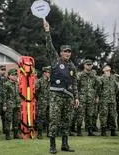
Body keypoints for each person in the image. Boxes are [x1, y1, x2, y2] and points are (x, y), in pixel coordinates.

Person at [43, 20, 79, 154]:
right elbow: (49, 47)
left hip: (68, 97)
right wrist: (47, 31)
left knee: (66, 121)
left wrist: (76, 97)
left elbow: (75, 82)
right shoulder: (55, 60)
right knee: (54, 120)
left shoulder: (72, 66)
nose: (68, 53)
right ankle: (52, 146)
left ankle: (65, 145)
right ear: (60, 53)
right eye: (65, 51)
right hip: (56, 96)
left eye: (69, 51)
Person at [77, 59, 99, 136]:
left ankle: (90, 131)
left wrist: (96, 96)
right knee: (80, 115)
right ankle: (79, 131)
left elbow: (96, 87)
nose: (89, 66)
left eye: (90, 65)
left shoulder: (94, 76)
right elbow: (76, 86)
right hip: (82, 98)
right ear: (84, 65)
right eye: (87, 65)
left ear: (92, 65)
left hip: (91, 98)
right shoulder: (80, 75)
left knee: (90, 115)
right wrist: (77, 97)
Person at [99, 65, 119, 136]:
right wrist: (100, 97)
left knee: (113, 115)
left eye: (109, 70)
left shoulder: (113, 79)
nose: (109, 72)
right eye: (107, 70)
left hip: (112, 100)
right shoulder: (101, 79)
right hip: (104, 100)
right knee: (103, 115)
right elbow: (98, 89)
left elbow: (116, 88)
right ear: (103, 70)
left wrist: (113, 95)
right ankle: (103, 130)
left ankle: (113, 130)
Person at [2, 68, 21, 140]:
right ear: (9, 76)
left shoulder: (17, 84)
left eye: (16, 75)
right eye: (13, 75)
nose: (15, 76)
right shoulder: (6, 84)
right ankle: (7, 135)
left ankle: (16, 134)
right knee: (8, 119)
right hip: (9, 104)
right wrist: (4, 105)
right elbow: (4, 95)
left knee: (16, 120)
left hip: (17, 104)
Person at [36, 66, 51, 139]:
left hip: (50, 102)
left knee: (50, 118)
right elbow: (35, 91)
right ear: (44, 73)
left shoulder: (51, 81)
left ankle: (49, 133)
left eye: (50, 73)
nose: (49, 74)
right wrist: (39, 99)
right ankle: (39, 133)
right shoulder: (39, 81)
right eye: (48, 72)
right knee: (40, 118)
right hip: (42, 102)